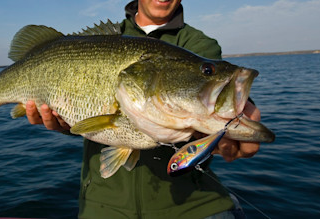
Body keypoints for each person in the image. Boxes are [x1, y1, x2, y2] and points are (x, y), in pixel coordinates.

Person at [26, 0, 260, 218]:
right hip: (103, 207)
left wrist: (243, 114)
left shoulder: (199, 44)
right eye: (206, 70)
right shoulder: (106, 38)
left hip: (193, 207)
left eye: (206, 71)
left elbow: (209, 100)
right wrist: (65, 124)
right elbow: (86, 122)